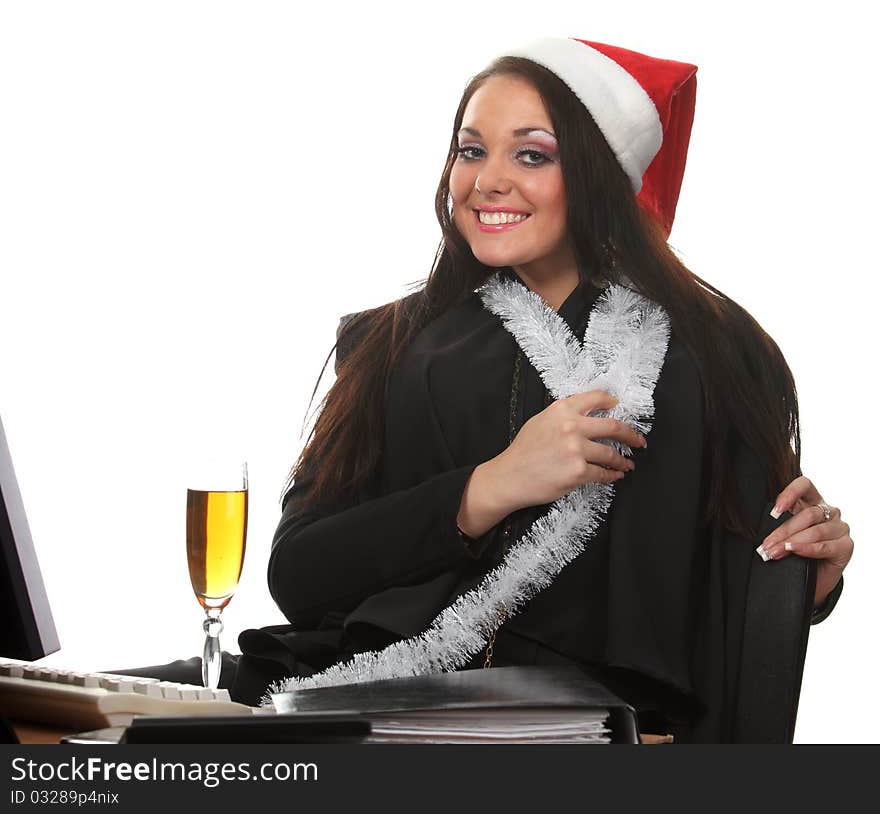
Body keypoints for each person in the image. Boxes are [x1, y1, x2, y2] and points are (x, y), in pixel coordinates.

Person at [142, 38, 854, 741]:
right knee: (82, 712)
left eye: (532, 154)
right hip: (376, 700)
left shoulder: (714, 353)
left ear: (599, 174)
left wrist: (804, 587)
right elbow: (298, 575)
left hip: (594, 734)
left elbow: (736, 580)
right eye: (470, 150)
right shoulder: (391, 345)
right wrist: (490, 486)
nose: (486, 181)